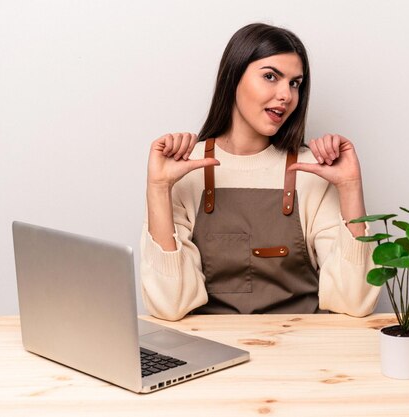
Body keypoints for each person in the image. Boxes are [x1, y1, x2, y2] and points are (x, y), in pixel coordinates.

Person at [141, 23, 380, 321]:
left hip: (304, 351)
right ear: (233, 78)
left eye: (295, 83)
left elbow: (354, 302)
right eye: (270, 77)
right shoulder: (184, 168)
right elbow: (169, 307)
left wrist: (350, 187)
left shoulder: (313, 171)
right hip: (214, 355)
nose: (286, 95)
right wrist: (158, 188)